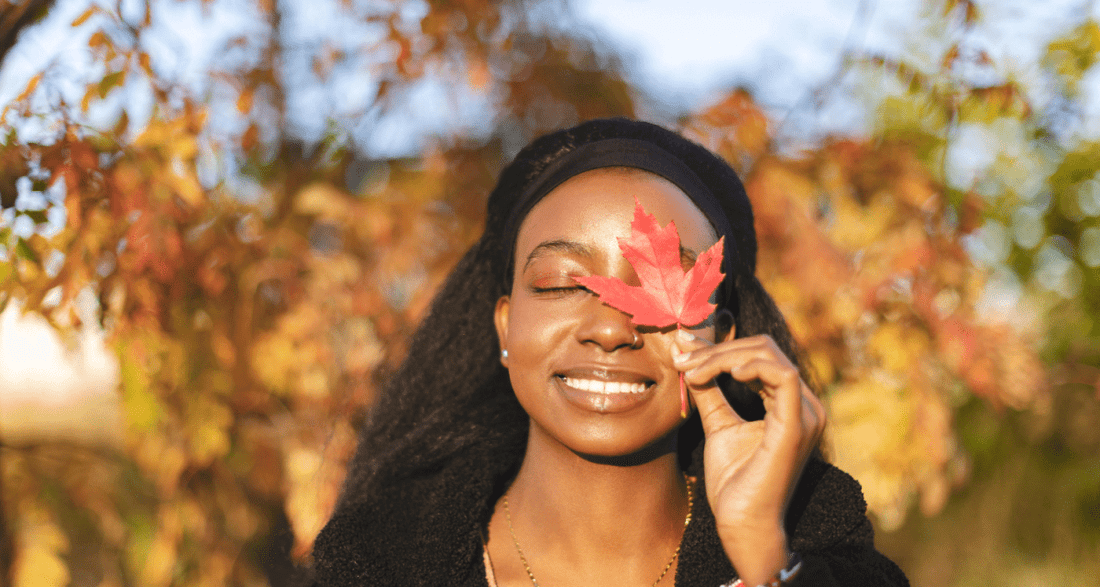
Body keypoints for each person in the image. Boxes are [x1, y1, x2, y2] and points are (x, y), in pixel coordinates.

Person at [308, 118, 909, 587]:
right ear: (504, 326)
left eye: (658, 293)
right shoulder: (379, 564)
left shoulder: (823, 564)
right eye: (563, 283)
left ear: (723, 339)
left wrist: (759, 552)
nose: (611, 328)